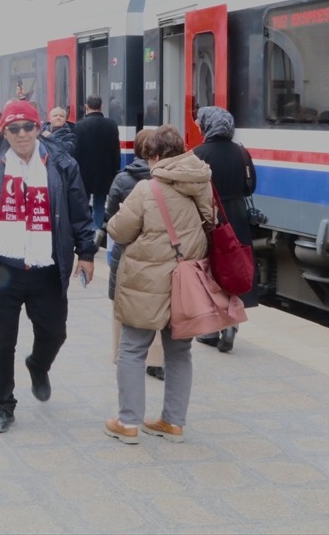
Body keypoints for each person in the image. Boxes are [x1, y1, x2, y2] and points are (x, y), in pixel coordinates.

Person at [0, 100, 97, 434]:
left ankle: (38, 364)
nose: (21, 134)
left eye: (28, 127)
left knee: (54, 332)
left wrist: (87, 252)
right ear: (4, 130)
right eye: (13, 128)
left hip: (47, 267)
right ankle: (3, 405)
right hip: (3, 267)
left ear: (39, 128)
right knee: (1, 341)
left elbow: (79, 211)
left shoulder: (61, 163)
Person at [104, 125, 213, 444]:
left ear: (154, 156)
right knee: (180, 353)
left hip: (147, 283)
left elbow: (120, 232)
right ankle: (174, 422)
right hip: (186, 281)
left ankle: (128, 422)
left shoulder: (146, 190)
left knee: (132, 349)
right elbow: (211, 227)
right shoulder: (201, 184)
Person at [192, 105, 258, 352]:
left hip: (210, 218)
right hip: (238, 218)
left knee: (209, 272)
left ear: (207, 125)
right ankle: (231, 323)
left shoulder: (197, 154)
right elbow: (250, 187)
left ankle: (210, 329)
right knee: (233, 270)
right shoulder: (241, 153)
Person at [104, 128, 164, 378]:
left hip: (127, 252)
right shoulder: (165, 180)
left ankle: (123, 354)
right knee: (159, 305)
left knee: (123, 303)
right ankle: (156, 361)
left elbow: (111, 219)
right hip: (158, 253)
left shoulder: (122, 179)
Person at [74, 95, 121, 230]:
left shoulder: (79, 126)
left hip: (84, 172)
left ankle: (85, 230)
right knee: (99, 203)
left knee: (83, 203)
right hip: (104, 173)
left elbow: (76, 153)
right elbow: (115, 152)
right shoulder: (111, 125)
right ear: (101, 107)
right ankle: (96, 231)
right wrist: (115, 172)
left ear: (87, 107)